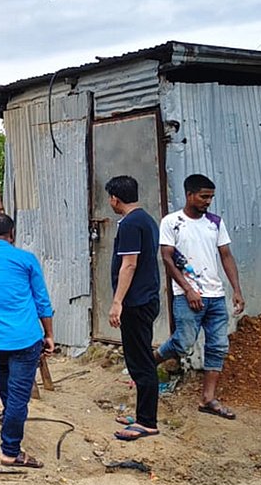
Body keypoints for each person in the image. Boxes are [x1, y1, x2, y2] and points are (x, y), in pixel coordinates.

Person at [0, 213, 54, 469]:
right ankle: (11, 451)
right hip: (26, 337)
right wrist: (49, 334)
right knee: (18, 395)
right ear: (11, 233)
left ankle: (8, 418)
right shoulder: (25, 259)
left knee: (5, 379)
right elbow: (42, 300)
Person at [157, 174, 246, 420]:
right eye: (203, 196)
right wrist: (188, 289)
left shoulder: (215, 223)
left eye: (211, 197)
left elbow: (226, 256)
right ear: (189, 195)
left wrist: (236, 290)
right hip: (188, 295)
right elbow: (167, 258)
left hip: (215, 296)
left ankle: (208, 399)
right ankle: (151, 361)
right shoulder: (172, 222)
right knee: (184, 343)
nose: (208, 202)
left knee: (218, 346)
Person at [103, 176, 162, 440]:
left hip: (136, 302)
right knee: (139, 358)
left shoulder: (130, 224)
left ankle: (147, 421)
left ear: (115, 198)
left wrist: (117, 302)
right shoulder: (147, 220)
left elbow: (129, 264)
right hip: (146, 298)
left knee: (141, 362)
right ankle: (141, 413)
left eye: (110, 198)